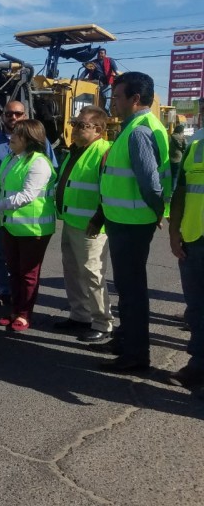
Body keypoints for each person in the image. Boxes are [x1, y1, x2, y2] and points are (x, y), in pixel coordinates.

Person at [93, 72, 170, 373]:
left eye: (117, 96)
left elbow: (150, 183)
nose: (112, 102)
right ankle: (125, 341)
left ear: (135, 99)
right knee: (127, 287)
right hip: (125, 219)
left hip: (132, 222)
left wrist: (156, 212)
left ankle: (136, 355)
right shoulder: (136, 127)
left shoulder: (139, 131)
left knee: (132, 290)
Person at [0, 120, 57, 332]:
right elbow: (1, 183)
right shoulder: (12, 158)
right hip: (11, 226)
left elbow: (27, 196)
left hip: (33, 229)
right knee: (14, 271)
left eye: (17, 136)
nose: (11, 138)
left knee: (28, 273)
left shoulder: (38, 163)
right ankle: (15, 310)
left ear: (29, 140)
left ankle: (24, 314)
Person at [52, 107, 113, 342]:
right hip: (71, 221)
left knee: (92, 274)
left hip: (91, 226)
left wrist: (99, 218)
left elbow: (109, 190)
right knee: (72, 271)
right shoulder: (76, 150)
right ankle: (79, 315)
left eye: (81, 125)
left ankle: (102, 322)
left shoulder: (104, 151)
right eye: (74, 123)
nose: (74, 128)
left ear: (98, 129)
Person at [168, 135, 204, 390]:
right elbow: (180, 191)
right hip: (193, 238)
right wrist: (174, 232)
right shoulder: (196, 147)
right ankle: (198, 367)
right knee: (196, 309)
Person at [169, 124, 187, 190]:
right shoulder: (182, 138)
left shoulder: (170, 137)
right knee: (176, 177)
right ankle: (174, 190)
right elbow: (185, 147)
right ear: (181, 132)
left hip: (169, 160)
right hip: (178, 160)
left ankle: (170, 190)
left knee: (171, 176)